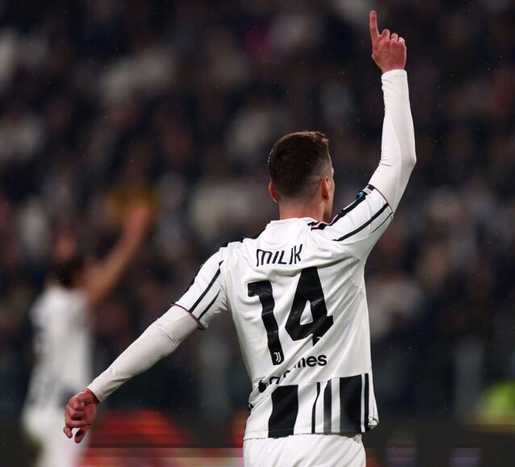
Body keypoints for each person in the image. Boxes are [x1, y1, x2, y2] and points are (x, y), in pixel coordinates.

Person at [63, 10, 415, 466]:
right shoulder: (342, 241)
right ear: (327, 187)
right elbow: (398, 163)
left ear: (272, 191)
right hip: (328, 442)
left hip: (262, 446)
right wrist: (393, 73)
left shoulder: (233, 261)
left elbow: (168, 329)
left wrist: (96, 389)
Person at [22, 203, 152, 467]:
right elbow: (104, 281)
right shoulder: (65, 303)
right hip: (61, 412)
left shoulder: (46, 301)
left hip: (41, 405)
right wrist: (132, 236)